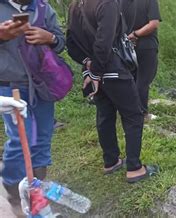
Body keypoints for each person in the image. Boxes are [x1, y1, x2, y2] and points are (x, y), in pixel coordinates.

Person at [66, 0, 157, 184]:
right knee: (133, 115)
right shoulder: (107, 3)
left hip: (96, 71)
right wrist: (97, 72)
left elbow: (71, 43)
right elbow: (104, 41)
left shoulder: (75, 6)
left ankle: (111, 161)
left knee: (105, 115)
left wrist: (89, 66)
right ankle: (134, 168)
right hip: (113, 70)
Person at [0, 0, 65, 215]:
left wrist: (51, 38)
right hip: (9, 85)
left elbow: (62, 42)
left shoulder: (44, 8)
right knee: (21, 139)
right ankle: (11, 187)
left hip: (41, 84)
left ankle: (34, 193)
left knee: (43, 140)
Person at [123, 0, 162, 121]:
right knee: (143, 80)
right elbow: (153, 23)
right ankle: (142, 114)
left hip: (126, 46)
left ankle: (129, 111)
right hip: (146, 45)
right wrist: (136, 34)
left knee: (131, 79)